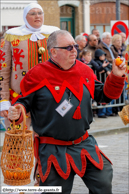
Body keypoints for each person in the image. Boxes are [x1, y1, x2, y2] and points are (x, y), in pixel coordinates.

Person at [8, 30, 126, 194]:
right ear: (53, 51)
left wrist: (116, 76)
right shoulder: (37, 74)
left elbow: (104, 95)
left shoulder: (85, 70)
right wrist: (17, 111)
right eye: (68, 47)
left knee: (103, 181)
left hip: (83, 143)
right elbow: (23, 102)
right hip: (52, 148)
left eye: (75, 46)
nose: (74, 50)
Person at [0, 2, 59, 131]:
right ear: (25, 17)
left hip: (51, 96)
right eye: (32, 14)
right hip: (19, 97)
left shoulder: (54, 34)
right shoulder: (12, 35)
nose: (37, 16)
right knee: (18, 141)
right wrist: (3, 100)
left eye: (40, 13)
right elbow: (3, 70)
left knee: (49, 140)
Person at [94, 49, 114, 118]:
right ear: (98, 56)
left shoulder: (105, 61)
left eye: (104, 55)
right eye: (102, 55)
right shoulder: (96, 61)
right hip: (100, 81)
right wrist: (105, 69)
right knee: (102, 98)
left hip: (106, 81)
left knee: (109, 96)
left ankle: (109, 111)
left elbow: (110, 67)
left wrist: (104, 69)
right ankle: (101, 113)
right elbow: (98, 69)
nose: (103, 56)